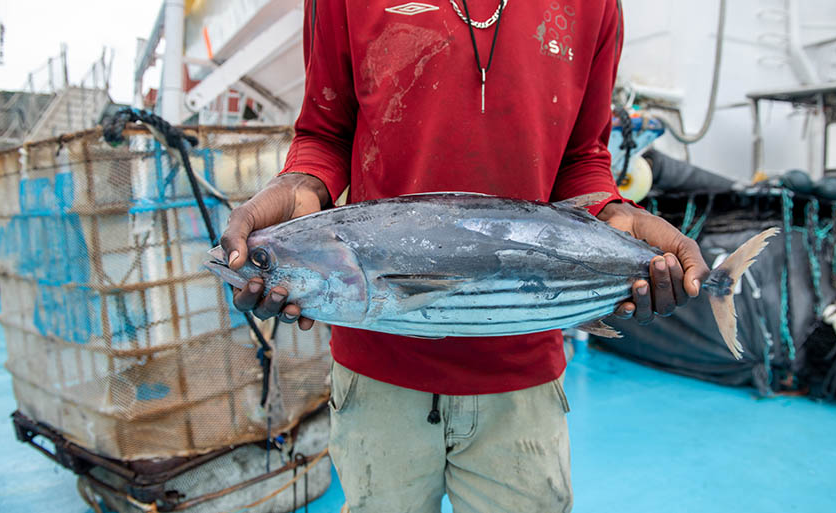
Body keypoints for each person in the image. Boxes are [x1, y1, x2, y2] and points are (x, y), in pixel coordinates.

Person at [220, 1, 709, 511]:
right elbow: (325, 133)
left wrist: (618, 222)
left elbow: (582, 159)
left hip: (522, 372)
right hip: (378, 370)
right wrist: (295, 190)